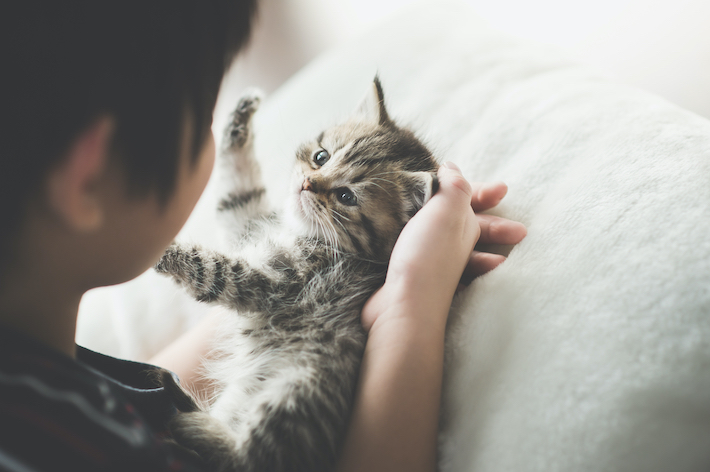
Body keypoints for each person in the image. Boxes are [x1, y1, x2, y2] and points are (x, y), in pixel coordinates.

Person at [0, 2, 526, 471]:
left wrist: (347, 278)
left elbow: (154, 398)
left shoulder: (46, 384)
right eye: (205, 113)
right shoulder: (72, 443)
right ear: (88, 177)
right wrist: (412, 300)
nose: (309, 181)